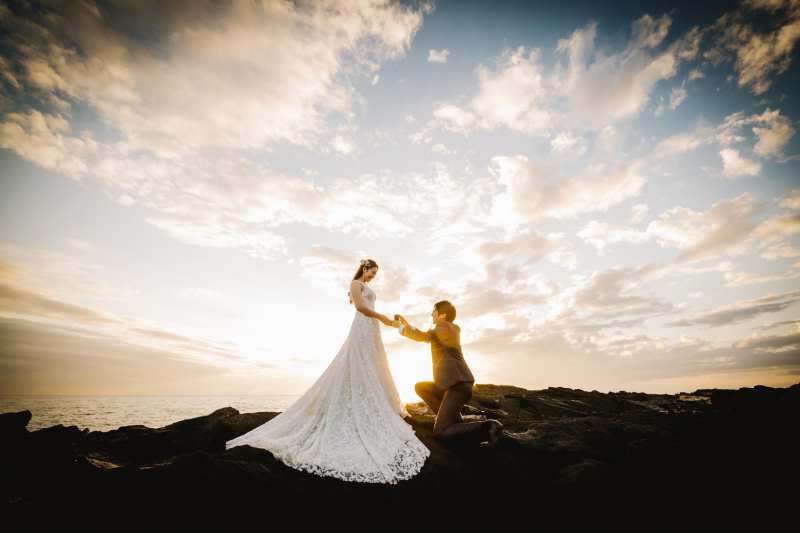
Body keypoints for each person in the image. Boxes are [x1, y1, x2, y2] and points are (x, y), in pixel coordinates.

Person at [226, 259, 429, 484]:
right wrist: (381, 316)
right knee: (358, 362)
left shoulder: (368, 287)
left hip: (371, 327)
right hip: (363, 324)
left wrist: (386, 321)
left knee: (372, 364)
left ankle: (371, 400)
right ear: (364, 268)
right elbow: (360, 307)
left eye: (375, 274)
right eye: (372, 272)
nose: (373, 277)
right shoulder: (355, 283)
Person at [396, 301, 503, 446]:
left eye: (434, 310)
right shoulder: (449, 328)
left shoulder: (444, 326)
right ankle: (455, 419)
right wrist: (408, 326)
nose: (432, 313)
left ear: (443, 315)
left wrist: (400, 327)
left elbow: (424, 337)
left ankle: (489, 427)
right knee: (421, 387)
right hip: (454, 384)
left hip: (458, 385)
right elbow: (427, 334)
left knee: (440, 433)